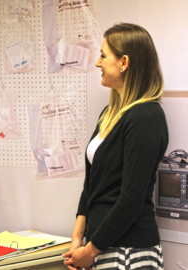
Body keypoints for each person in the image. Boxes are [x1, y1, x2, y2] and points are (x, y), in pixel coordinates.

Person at [62, 23, 168, 270]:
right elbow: (93, 185)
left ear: (124, 62)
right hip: (100, 244)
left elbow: (130, 199)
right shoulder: (110, 113)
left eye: (103, 55)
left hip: (130, 250)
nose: (98, 63)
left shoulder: (146, 117)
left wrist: (90, 250)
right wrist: (78, 236)